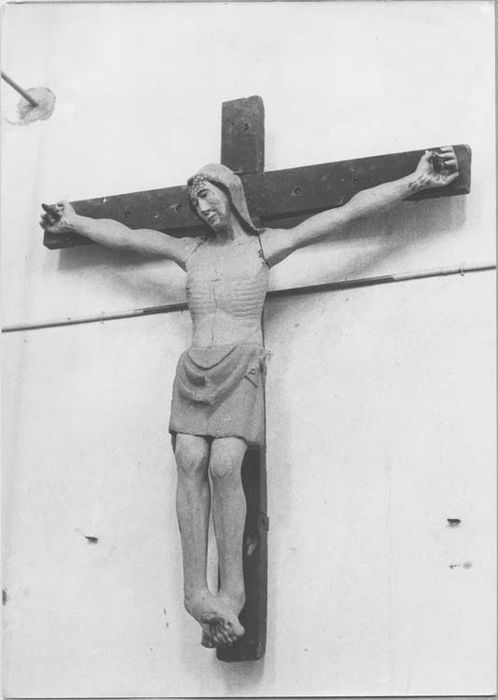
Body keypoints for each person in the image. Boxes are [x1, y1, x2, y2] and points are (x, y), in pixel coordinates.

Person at [40, 147, 459, 648]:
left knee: (224, 465)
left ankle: (232, 593)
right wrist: (74, 221)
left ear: (231, 194)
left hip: (240, 365)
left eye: (208, 197)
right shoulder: (190, 252)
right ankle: (196, 593)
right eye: (196, 203)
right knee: (189, 457)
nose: (203, 209)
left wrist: (416, 181)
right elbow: (129, 237)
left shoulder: (264, 247)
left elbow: (344, 214)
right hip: (194, 368)